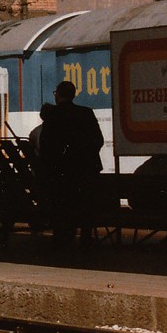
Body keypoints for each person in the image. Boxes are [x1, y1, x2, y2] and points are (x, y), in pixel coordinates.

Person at [38, 80, 103, 244]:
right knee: (84, 205)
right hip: (85, 171)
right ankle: (86, 237)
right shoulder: (86, 113)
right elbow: (98, 140)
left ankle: (62, 237)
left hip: (60, 172)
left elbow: (45, 145)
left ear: (58, 95)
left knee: (62, 206)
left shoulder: (52, 116)